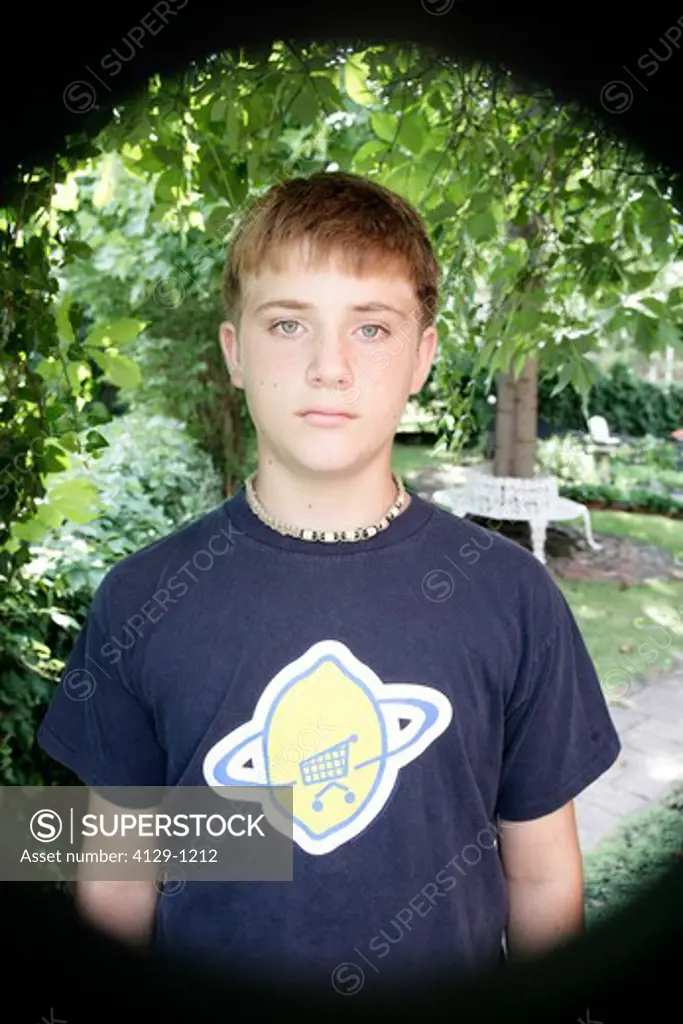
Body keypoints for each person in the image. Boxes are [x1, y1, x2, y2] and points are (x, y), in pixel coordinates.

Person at [36, 170, 622, 996]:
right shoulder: (142, 598)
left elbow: (541, 879)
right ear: (234, 353)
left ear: (422, 356)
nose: (329, 367)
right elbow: (117, 873)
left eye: (372, 329)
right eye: (287, 323)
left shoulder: (511, 596)